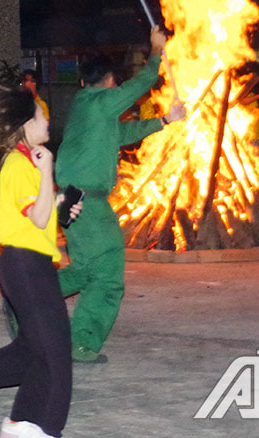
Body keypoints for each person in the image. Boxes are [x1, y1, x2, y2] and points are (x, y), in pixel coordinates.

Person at [0, 87, 80, 438]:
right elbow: (38, 217)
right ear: (25, 124)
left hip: (27, 262)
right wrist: (47, 171)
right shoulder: (22, 164)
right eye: (41, 115)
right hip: (26, 264)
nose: (47, 120)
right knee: (54, 352)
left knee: (35, 347)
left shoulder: (25, 162)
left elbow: (41, 212)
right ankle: (36, 424)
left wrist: (61, 205)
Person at [54, 26, 183, 363]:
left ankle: (26, 298)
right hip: (87, 200)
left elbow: (125, 132)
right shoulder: (100, 102)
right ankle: (80, 344)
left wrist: (166, 119)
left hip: (74, 195)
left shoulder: (89, 108)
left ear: (83, 81)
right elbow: (139, 86)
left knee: (85, 270)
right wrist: (155, 51)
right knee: (109, 276)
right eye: (116, 84)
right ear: (110, 82)